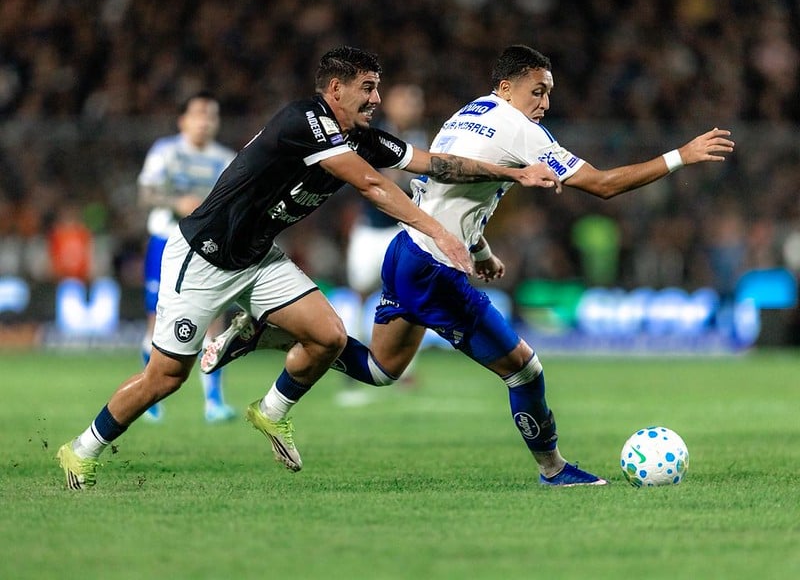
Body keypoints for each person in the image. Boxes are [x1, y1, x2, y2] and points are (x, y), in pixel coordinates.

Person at [201, 44, 734, 486]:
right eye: (537, 90)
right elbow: (602, 186)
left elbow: (455, 189)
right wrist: (679, 157)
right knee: (524, 368)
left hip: (408, 252)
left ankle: (266, 333)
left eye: (550, 93)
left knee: (382, 371)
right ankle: (553, 469)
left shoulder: (469, 114)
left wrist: (479, 250)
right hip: (434, 265)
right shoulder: (519, 129)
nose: (545, 102)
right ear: (507, 88)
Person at [56, 45, 560, 489]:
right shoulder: (305, 122)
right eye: (368, 88)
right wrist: (440, 230)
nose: (376, 99)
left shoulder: (359, 134)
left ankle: (269, 401)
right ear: (336, 89)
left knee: (330, 337)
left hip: (257, 257)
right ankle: (82, 448)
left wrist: (512, 171)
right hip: (202, 257)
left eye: (378, 88)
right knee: (165, 377)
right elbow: (373, 187)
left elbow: (435, 163)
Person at [136, 91, 237, 423]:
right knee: (157, 320)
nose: (205, 122)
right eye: (198, 115)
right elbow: (146, 194)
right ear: (183, 120)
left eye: (211, 116)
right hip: (166, 242)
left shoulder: (225, 158)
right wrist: (176, 202)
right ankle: (149, 398)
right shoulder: (166, 152)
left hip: (206, 246)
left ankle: (214, 402)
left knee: (215, 320)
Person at [337, 83, 428, 407]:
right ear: (391, 103)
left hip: (401, 230)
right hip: (370, 230)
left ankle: (405, 370)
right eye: (407, 97)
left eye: (415, 99)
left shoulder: (421, 139)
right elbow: (378, 183)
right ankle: (351, 369)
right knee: (360, 295)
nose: (413, 104)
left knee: (409, 296)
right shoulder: (372, 135)